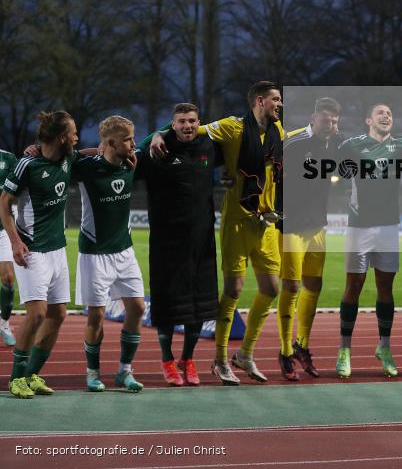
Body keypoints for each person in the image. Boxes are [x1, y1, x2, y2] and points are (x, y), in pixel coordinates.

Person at [151, 81, 283, 385]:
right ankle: (221, 358)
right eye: (276, 100)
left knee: (271, 289)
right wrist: (157, 133)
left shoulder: (279, 133)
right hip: (237, 220)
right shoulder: (232, 127)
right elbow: (186, 129)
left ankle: (245, 354)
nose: (280, 105)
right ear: (260, 101)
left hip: (267, 224)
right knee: (234, 289)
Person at [135, 103, 222, 386]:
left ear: (199, 122)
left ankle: (188, 359)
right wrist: (155, 135)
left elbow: (238, 154)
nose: (188, 126)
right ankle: (167, 359)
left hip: (202, 240)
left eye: (192, 121)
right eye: (182, 121)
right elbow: (125, 160)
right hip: (167, 242)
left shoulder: (208, 146)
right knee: (168, 303)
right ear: (171, 124)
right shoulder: (158, 149)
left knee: (199, 303)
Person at [332, 103, 402, 378]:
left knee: (385, 288)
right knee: (353, 285)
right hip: (360, 227)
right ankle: (344, 349)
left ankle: (384, 346)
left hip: (389, 227)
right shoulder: (352, 145)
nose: (386, 116)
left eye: (390, 113)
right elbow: (334, 168)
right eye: (380, 113)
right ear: (368, 119)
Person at [1, 111, 78, 398]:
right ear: (61, 137)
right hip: (31, 250)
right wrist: (15, 241)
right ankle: (15, 378)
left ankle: (32, 374)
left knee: (58, 313)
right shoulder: (27, 165)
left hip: (58, 249)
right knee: (37, 313)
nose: (77, 137)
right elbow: (4, 203)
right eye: (73, 132)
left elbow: (101, 150)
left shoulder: (69, 159)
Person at [73, 116, 145, 393]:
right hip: (94, 253)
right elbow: (59, 158)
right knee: (96, 315)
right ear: (112, 142)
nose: (133, 143)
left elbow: (153, 143)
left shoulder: (131, 162)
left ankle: (125, 371)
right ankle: (92, 373)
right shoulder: (87, 169)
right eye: (128, 139)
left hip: (124, 251)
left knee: (138, 308)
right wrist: (88, 151)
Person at [279, 98, 341, 380]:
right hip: (291, 226)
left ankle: (301, 344)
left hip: (317, 226)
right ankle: (284, 351)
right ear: (314, 117)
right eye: (327, 120)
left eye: (335, 121)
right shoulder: (292, 142)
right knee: (291, 286)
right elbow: (272, 175)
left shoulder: (335, 144)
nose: (331, 125)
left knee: (313, 284)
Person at [0, 147, 19, 346]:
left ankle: (4, 324)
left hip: (3, 228)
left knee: (8, 277)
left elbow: (22, 185)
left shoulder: (8, 158)